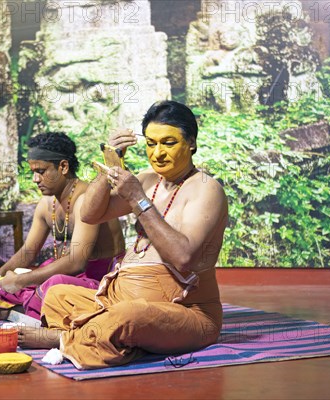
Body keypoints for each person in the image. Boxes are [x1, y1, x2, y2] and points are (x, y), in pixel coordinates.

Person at [18, 100, 228, 370]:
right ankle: (101, 337)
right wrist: (110, 164)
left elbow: (183, 257)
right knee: (58, 294)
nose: (158, 153)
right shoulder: (146, 179)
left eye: (168, 143)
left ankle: (65, 337)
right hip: (115, 299)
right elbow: (90, 214)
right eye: (151, 144)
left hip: (186, 312)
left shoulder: (206, 189)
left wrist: (138, 199)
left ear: (191, 143)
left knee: (130, 316)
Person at [0, 132, 125, 319]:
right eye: (33, 173)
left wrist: (20, 281)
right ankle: (21, 310)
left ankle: (15, 311)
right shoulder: (47, 204)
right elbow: (28, 251)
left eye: (41, 171)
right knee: (0, 286)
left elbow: (77, 262)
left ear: (63, 167)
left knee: (54, 284)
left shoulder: (85, 199)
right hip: (74, 275)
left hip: (102, 279)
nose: (36, 179)